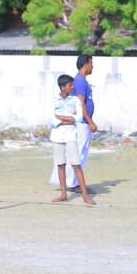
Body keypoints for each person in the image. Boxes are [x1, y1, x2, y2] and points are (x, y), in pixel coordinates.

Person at [49, 54, 97, 190]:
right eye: (91, 63)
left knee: (79, 154)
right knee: (78, 154)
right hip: (82, 124)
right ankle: (73, 183)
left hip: (83, 123)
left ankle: (74, 182)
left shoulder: (82, 80)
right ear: (85, 64)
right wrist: (90, 122)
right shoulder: (80, 81)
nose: (92, 66)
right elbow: (81, 103)